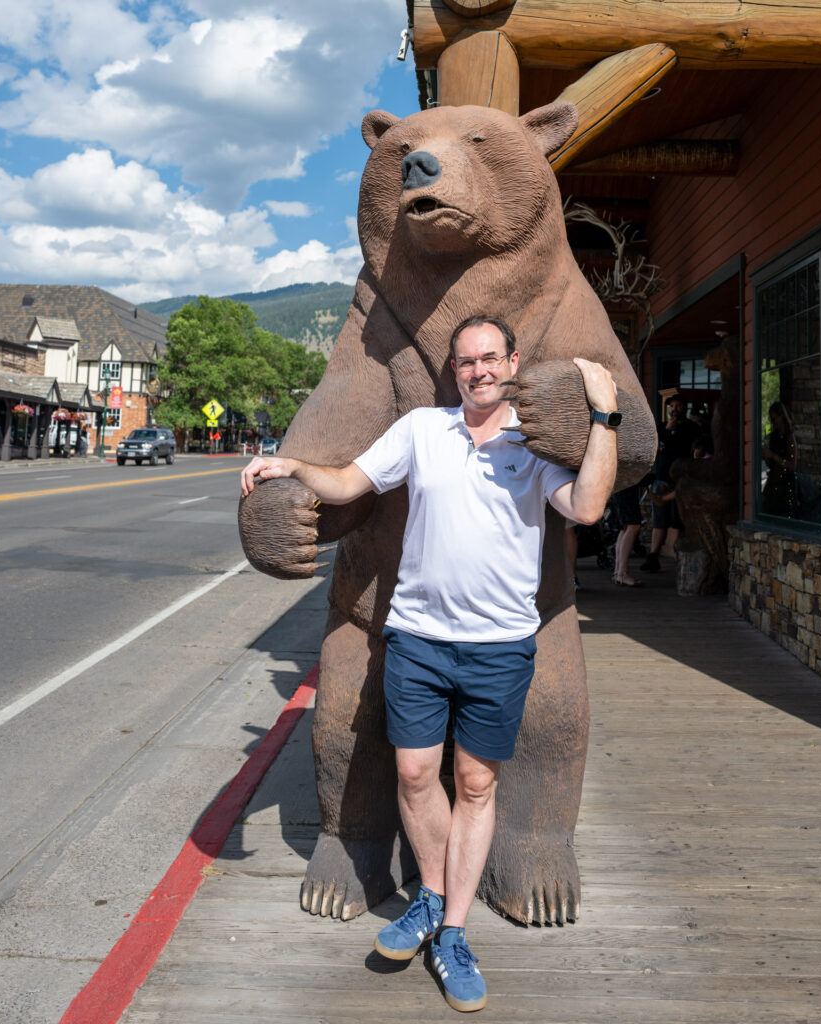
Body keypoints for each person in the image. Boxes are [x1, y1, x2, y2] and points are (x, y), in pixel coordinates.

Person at [241, 315, 620, 1014]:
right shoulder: (423, 430)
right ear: (455, 370)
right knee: (417, 773)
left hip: (500, 645)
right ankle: (436, 898)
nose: (478, 370)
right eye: (466, 361)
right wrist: (291, 466)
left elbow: (590, 505)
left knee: (476, 783)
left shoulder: (531, 442)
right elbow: (352, 483)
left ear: (511, 361)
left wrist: (604, 416)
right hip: (416, 635)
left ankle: (450, 930)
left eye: (489, 358)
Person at [639, 395, 701, 572]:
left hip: (683, 481)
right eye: (672, 406)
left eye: (678, 406)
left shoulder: (692, 428)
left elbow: (686, 450)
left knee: (678, 519)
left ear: (685, 408)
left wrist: (667, 446)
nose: (674, 409)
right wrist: (666, 431)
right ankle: (653, 556)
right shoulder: (662, 427)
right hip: (662, 479)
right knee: (659, 519)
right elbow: (654, 447)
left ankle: (678, 556)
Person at [761, 401, 797, 517]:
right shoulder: (774, 437)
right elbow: (771, 463)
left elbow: (792, 465)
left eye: (774, 418)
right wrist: (767, 457)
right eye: (771, 419)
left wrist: (773, 456)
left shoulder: (789, 437)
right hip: (773, 482)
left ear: (782, 417)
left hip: (785, 485)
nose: (773, 422)